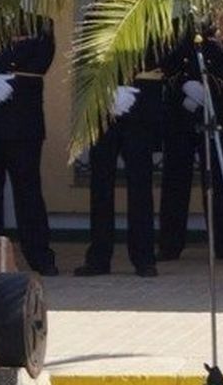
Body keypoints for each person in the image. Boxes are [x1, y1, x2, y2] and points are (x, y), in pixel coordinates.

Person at [0, 10, 58, 276]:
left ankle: (40, 256)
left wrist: (6, 83)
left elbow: (40, 64)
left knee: (28, 193)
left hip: (23, 123)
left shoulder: (40, 23)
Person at [76, 31, 169, 277]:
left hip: (141, 100)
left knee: (140, 184)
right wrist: (110, 89)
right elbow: (88, 52)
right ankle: (99, 257)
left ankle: (144, 257)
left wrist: (126, 82)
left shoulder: (150, 10)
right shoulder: (97, 10)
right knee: (100, 184)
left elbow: (162, 50)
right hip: (104, 103)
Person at [158, 13, 223, 263]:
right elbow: (167, 61)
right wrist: (183, 85)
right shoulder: (175, 26)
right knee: (175, 180)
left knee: (218, 179)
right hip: (180, 113)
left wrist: (208, 89)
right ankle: (170, 244)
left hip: (214, 111)